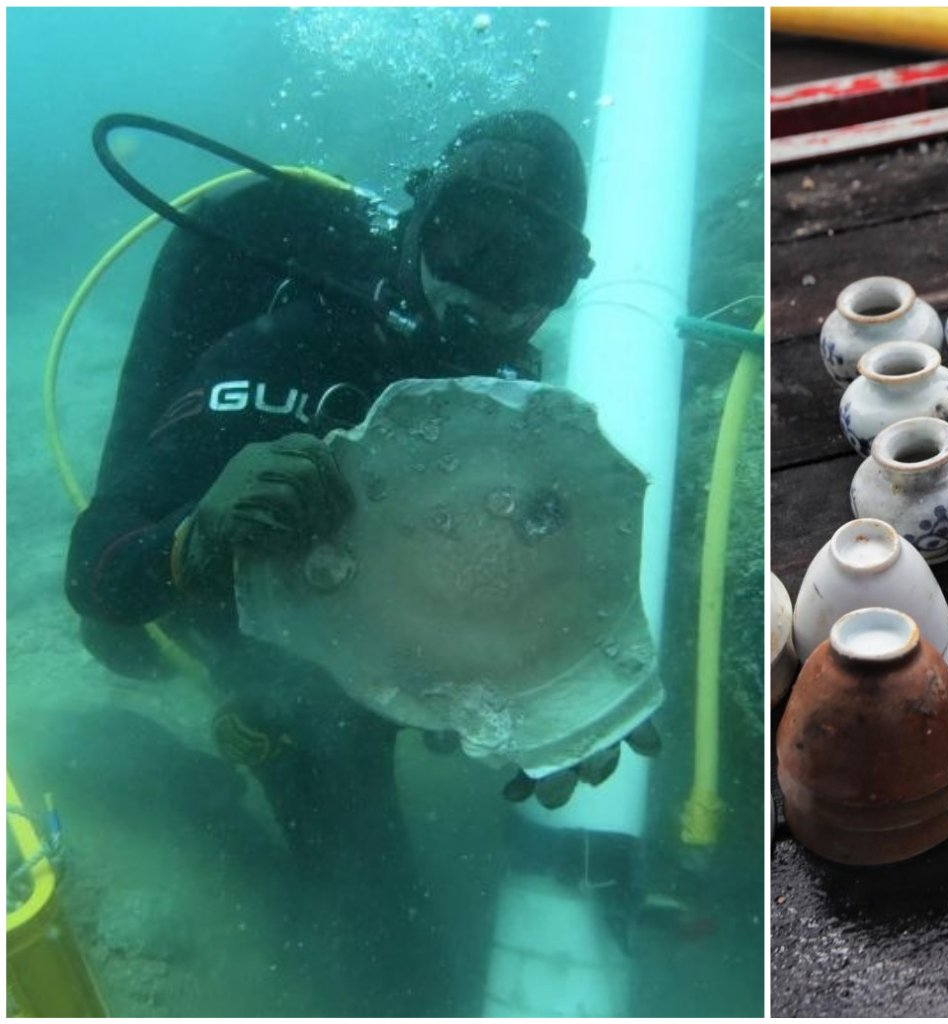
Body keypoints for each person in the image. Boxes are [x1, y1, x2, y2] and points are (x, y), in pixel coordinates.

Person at [63, 110, 643, 1014]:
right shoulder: (290, 346)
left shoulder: (510, 408)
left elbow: (518, 580)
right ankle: (163, 782)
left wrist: (562, 681)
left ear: (560, 286)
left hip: (381, 623)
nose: (484, 293)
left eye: (527, 267)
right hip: (263, 638)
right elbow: (93, 571)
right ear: (422, 223)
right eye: (468, 242)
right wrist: (195, 538)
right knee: (381, 941)